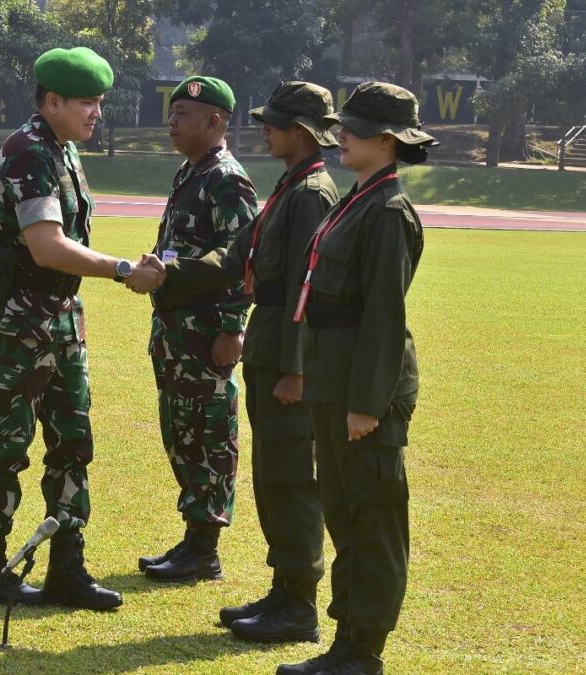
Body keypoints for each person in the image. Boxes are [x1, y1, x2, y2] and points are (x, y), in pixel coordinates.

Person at [142, 81, 436, 675]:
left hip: (352, 386)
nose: (340, 135)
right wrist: (165, 275)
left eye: (351, 128)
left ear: (387, 140)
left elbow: (382, 315)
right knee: (342, 511)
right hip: (330, 377)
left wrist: (362, 400)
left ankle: (356, 646)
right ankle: (338, 634)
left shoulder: (380, 209)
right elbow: (250, 261)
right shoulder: (350, 197)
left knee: (368, 517)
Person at [0, 47, 159, 611]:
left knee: (72, 442)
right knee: (6, 446)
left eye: (99, 102)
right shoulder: (27, 150)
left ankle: (67, 570)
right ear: (52, 101)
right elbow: (47, 247)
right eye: (87, 103)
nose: (97, 113)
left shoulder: (63, 149)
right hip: (18, 322)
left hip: (60, 317)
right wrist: (123, 269)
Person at [217, 82, 340, 645]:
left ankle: (299, 606)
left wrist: (296, 369)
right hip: (268, 344)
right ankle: (284, 588)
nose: (265, 128)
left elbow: (303, 287)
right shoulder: (292, 185)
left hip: (285, 354)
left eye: (276, 122)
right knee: (272, 473)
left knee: (291, 477)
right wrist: (170, 272)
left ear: (303, 132)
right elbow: (237, 254)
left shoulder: (311, 192)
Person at [134, 76, 258, 583]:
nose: (172, 121)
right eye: (172, 111)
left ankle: (205, 549)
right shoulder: (192, 172)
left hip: (207, 337)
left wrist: (232, 328)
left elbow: (243, 259)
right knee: (181, 433)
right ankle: (193, 539)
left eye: (184, 113)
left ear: (216, 121)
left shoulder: (227, 178)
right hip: (176, 334)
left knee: (209, 435)